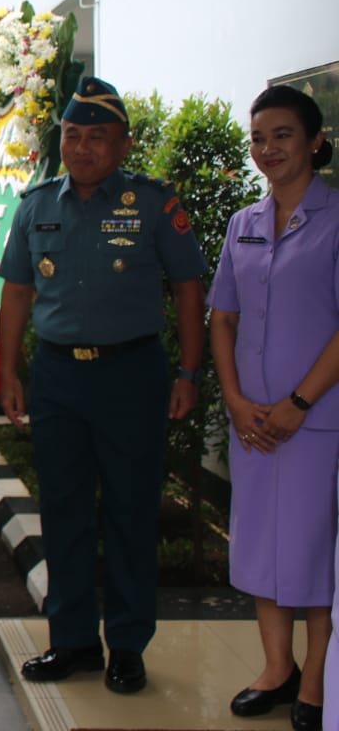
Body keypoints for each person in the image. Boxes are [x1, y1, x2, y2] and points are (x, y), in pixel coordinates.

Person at [0, 75, 208, 695]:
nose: (82, 147)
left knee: (129, 510)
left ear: (123, 144)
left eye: (96, 137)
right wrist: (10, 371)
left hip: (131, 373)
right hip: (59, 374)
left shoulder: (152, 203)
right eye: (72, 135)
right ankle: (73, 642)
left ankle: (127, 645)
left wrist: (189, 373)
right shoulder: (36, 204)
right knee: (61, 512)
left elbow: (190, 288)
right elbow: (16, 291)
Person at [208, 85, 338, 731]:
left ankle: (315, 680)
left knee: (314, 551)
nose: (268, 150)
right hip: (253, 423)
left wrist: (298, 402)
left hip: (316, 423)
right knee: (261, 544)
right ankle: (275, 668)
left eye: (283, 135)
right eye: (259, 138)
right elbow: (221, 319)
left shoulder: (337, 218)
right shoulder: (243, 225)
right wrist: (234, 400)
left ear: (315, 140)